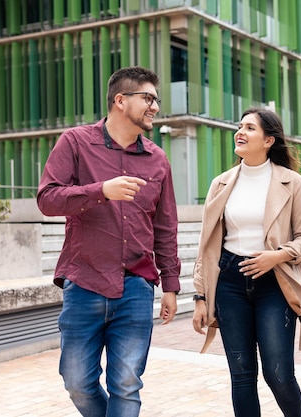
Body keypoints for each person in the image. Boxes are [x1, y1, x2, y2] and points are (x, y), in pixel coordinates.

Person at [37, 66, 181, 417]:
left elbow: (165, 227)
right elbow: (47, 199)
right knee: (76, 381)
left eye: (156, 100)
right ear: (120, 100)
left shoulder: (158, 160)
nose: (155, 107)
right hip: (84, 281)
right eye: (148, 98)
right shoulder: (74, 142)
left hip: (135, 286)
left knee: (127, 385)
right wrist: (100, 190)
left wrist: (171, 286)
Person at [192, 108, 301, 417]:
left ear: (268, 140)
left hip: (275, 283)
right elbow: (206, 244)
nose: (240, 132)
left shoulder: (292, 182)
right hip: (229, 281)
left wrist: (277, 255)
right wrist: (200, 296)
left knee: (278, 374)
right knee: (241, 376)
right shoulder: (221, 184)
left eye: (250, 127)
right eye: (239, 126)